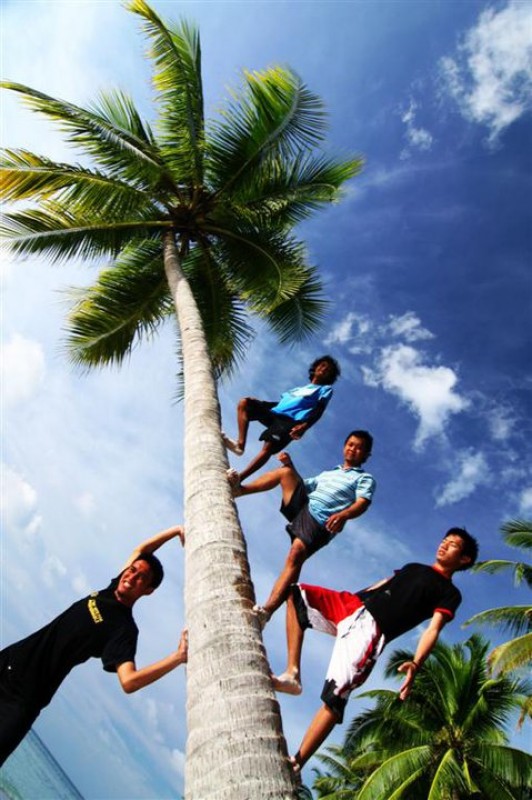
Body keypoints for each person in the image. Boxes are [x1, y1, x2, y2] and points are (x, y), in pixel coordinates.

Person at [270, 527, 479, 775]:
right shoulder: (413, 566)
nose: (444, 544)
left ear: (464, 559)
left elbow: (433, 628)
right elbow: (383, 584)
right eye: (444, 539)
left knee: (336, 695)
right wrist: (354, 598)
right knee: (296, 594)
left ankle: (297, 762)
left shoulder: (449, 593)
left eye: (453, 544)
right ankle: (292, 674)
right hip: (354, 607)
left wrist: (416, 662)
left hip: (373, 630)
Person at [0, 524, 187, 765]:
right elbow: (143, 548)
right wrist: (175, 531)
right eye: (132, 570)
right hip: (9, 661)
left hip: (23, 699)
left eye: (141, 578)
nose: (131, 577)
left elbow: (129, 681)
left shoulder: (123, 629)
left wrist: (178, 657)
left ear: (148, 591)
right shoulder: (110, 589)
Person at [235, 430, 376, 628]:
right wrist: (290, 465)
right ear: (344, 446)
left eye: (359, 447)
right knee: (284, 473)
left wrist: (344, 515)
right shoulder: (330, 473)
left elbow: (362, 502)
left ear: (366, 455)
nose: (353, 449)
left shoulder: (364, 479)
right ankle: (239, 490)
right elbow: (302, 485)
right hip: (304, 506)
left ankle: (266, 611)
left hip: (321, 522)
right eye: (350, 444)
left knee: (296, 555)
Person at [223, 355, 341, 485]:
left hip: (291, 421)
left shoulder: (325, 389)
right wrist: (260, 402)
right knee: (245, 403)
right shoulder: (297, 389)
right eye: (323, 365)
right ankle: (240, 445)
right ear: (316, 367)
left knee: (269, 446)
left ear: (329, 376)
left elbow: (319, 410)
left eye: (328, 370)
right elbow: (282, 404)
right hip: (275, 411)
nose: (324, 369)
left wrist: (304, 427)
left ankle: (239, 478)